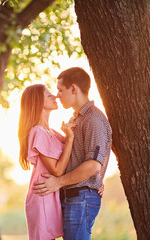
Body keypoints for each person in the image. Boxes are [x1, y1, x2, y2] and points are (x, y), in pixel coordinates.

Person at [34, 67, 112, 240]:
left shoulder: (94, 119)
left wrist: (59, 182)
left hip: (81, 199)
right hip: (74, 198)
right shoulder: (76, 119)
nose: (58, 95)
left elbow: (93, 165)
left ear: (74, 89)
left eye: (60, 90)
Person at [18, 84, 75, 240]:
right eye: (49, 95)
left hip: (52, 194)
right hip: (42, 195)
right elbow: (57, 170)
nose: (55, 96)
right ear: (38, 101)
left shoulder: (53, 132)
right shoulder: (38, 132)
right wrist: (70, 138)